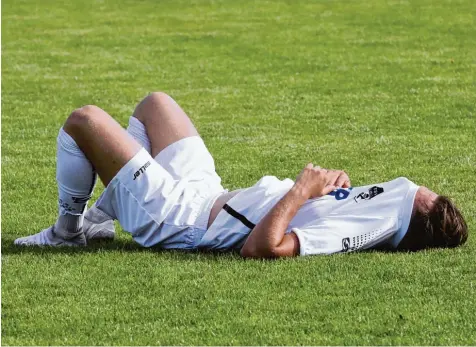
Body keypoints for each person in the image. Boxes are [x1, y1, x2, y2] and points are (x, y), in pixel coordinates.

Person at [14, 92, 468, 257]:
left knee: (85, 121)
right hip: (210, 193)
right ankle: (100, 220)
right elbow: (332, 210)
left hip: (184, 220)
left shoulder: (373, 228)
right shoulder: (385, 210)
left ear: (412, 215)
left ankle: (69, 230)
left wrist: (301, 190)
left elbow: (263, 247)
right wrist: (329, 189)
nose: (400, 188)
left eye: (415, 194)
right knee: (157, 105)